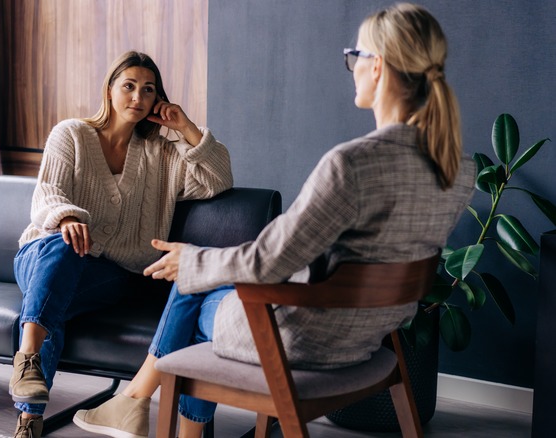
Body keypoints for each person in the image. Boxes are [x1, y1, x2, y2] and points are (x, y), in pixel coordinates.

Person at [72, 3, 476, 438]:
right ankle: (135, 402)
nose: (352, 66)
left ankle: (133, 402)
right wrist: (200, 261)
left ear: (376, 67)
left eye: (354, 56)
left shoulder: (353, 164)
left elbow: (270, 261)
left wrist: (193, 262)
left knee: (191, 287)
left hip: (303, 338)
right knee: (199, 276)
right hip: (369, 336)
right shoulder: (457, 169)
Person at [10, 51, 233, 438]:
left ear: (157, 100)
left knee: (54, 301)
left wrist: (186, 127)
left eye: (148, 90)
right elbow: (47, 192)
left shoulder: (162, 154)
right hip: (43, 253)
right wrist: (67, 217)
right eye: (128, 86)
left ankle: (30, 416)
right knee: (62, 253)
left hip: (110, 274)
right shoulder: (72, 133)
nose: (138, 96)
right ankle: (28, 368)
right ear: (109, 91)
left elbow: (218, 179)